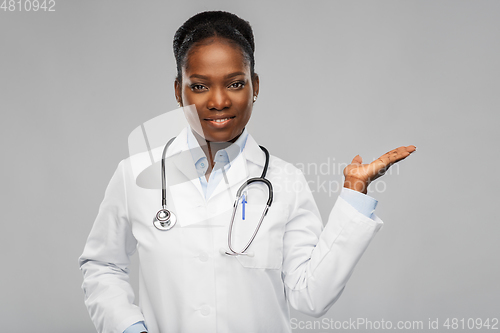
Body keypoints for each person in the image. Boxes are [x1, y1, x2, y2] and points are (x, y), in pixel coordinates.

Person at [79, 10, 416, 333]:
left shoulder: (285, 182)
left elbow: (310, 295)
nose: (218, 101)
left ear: (254, 86)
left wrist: (354, 195)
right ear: (178, 91)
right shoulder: (135, 174)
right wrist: (129, 327)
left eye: (235, 84)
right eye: (199, 86)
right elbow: (102, 266)